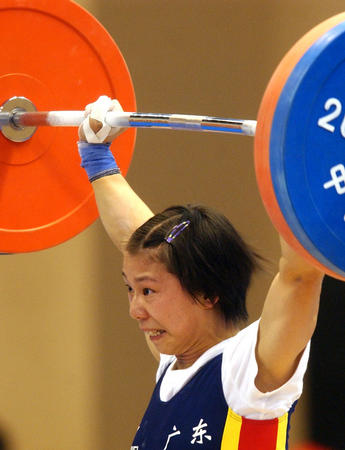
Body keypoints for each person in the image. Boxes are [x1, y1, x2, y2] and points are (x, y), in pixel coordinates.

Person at [77, 96, 325, 449]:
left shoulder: (249, 370)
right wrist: (96, 157)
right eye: (130, 290)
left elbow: (299, 276)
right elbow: (135, 243)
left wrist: (299, 166)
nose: (135, 309)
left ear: (208, 293)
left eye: (148, 292)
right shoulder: (171, 365)